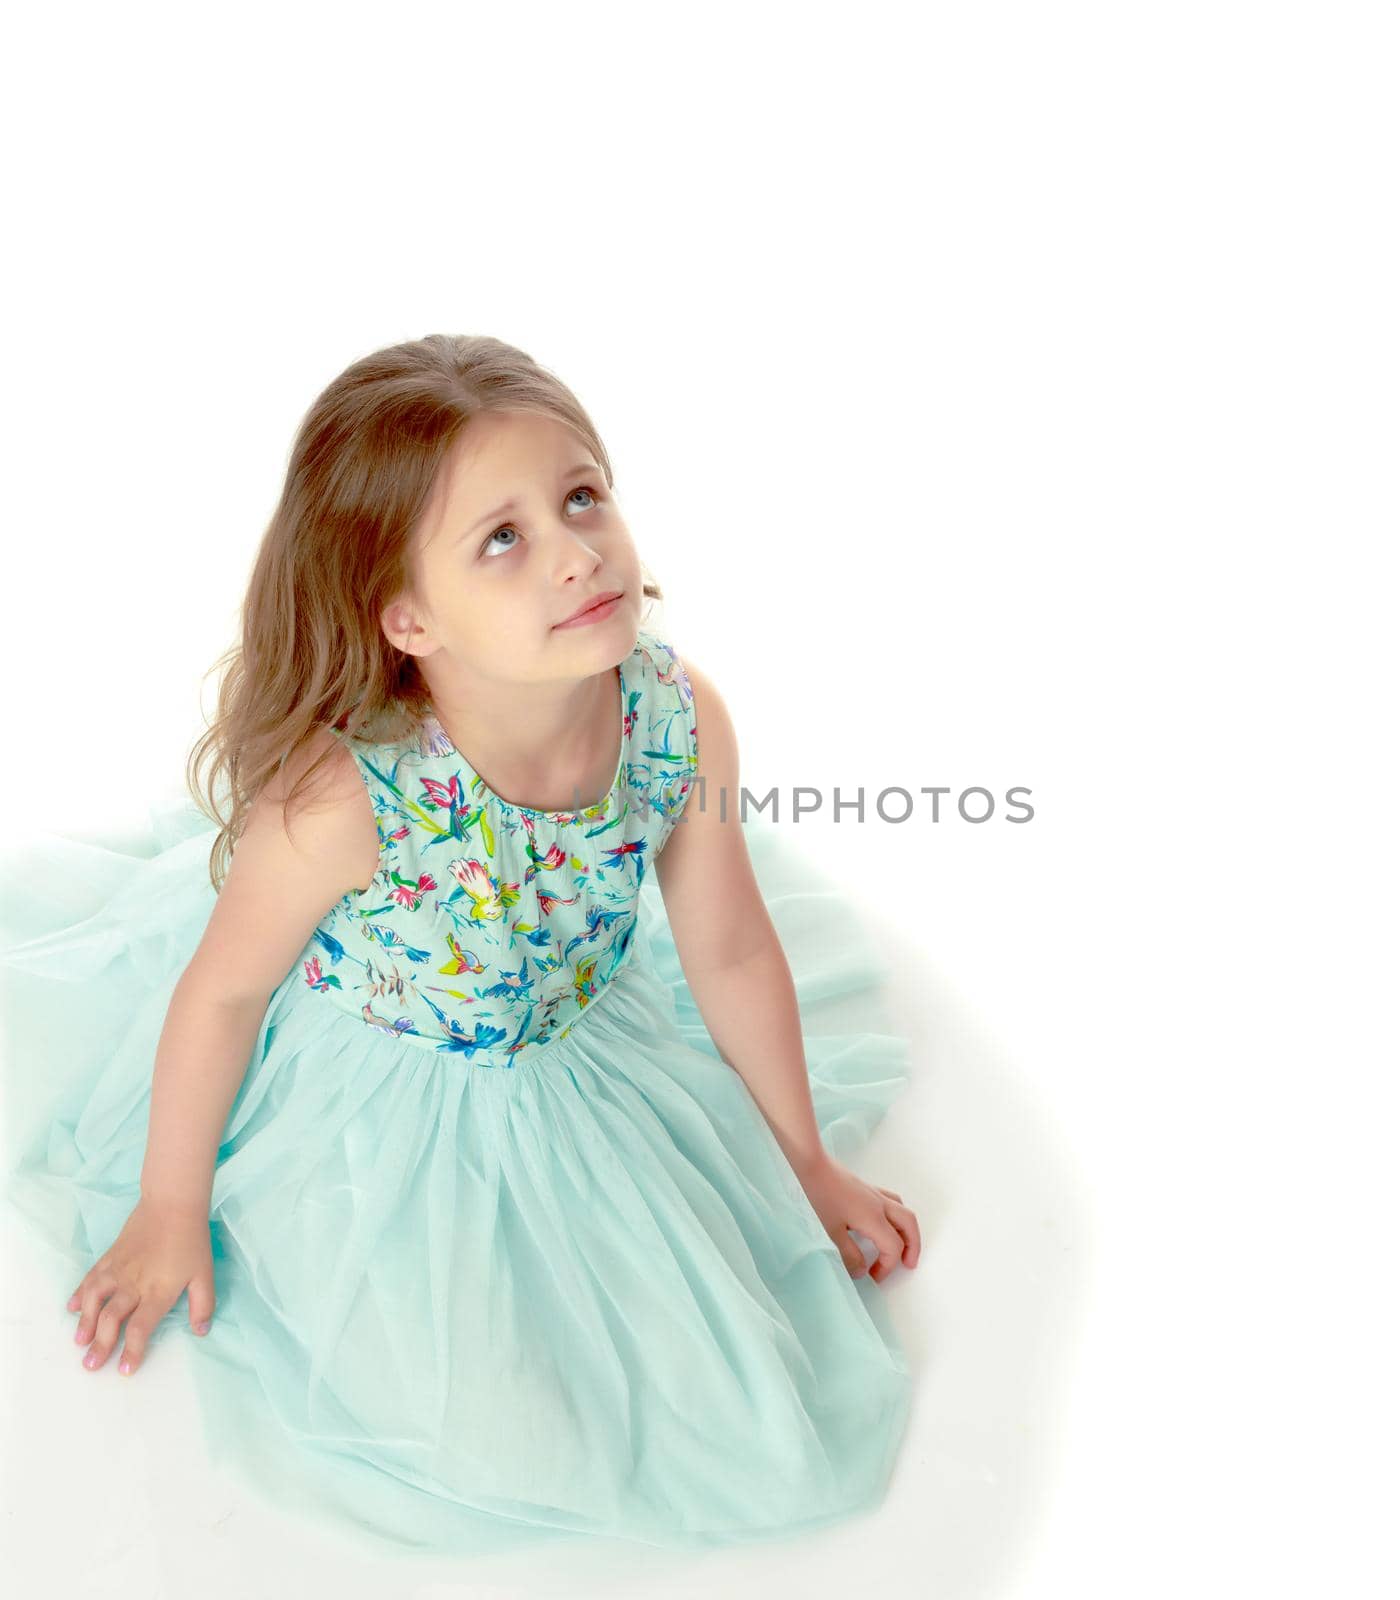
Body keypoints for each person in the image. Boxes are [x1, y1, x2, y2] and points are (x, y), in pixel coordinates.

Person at [0, 334, 922, 1553]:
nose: (577, 550)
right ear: (407, 617)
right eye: (504, 538)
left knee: (688, 1344)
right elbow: (222, 997)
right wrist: (171, 1202)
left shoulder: (671, 712)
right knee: (489, 1387)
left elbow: (733, 947)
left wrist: (800, 1157)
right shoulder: (343, 802)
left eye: (581, 495)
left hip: (576, 1030)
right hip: (386, 1082)